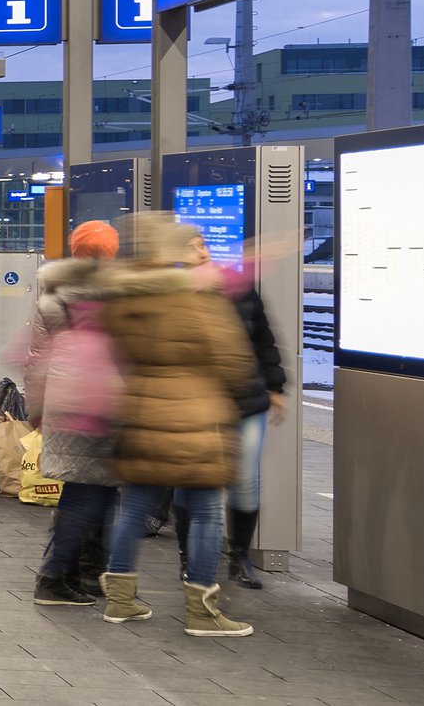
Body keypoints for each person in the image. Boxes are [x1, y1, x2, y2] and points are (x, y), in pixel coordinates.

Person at [99, 216, 259, 637]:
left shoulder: (128, 297)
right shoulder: (199, 298)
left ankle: (119, 601)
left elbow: (117, 354)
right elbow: (235, 364)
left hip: (142, 413)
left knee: (133, 509)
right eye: (196, 244)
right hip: (195, 418)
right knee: (206, 513)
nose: (204, 251)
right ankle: (203, 612)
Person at [25, 219, 124, 607]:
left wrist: (36, 410)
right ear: (111, 252)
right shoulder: (116, 295)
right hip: (98, 405)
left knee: (90, 491)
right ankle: (54, 577)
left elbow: (35, 362)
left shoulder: (53, 297)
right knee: (87, 494)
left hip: (63, 404)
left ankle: (79, 573)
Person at [223, 240, 287, 588]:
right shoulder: (187, 293)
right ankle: (191, 559)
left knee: (246, 478)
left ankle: (239, 556)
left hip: (248, 399)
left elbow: (265, 341)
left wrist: (275, 386)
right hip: (206, 400)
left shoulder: (246, 291)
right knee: (196, 483)